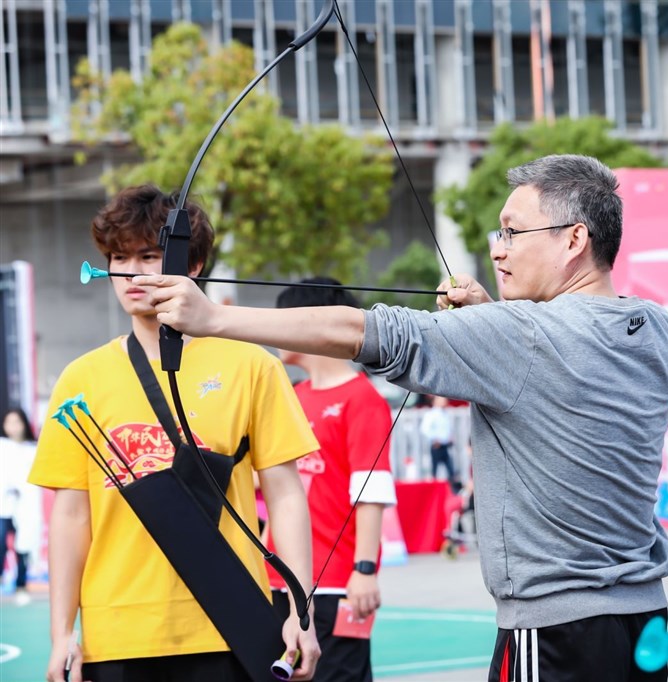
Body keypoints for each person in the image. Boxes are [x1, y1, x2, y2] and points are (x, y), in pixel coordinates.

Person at [138, 153, 668, 682]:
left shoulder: (522, 337)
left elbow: (366, 332)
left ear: (574, 239)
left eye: (513, 232)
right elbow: (555, 362)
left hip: (558, 629)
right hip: (643, 619)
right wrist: (490, 318)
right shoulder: (654, 329)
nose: (498, 250)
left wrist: (213, 318)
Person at [29, 185, 321, 682]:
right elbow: (72, 514)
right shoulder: (81, 378)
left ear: (193, 263)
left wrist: (301, 612)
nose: (129, 273)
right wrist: (61, 634)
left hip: (227, 621)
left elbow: (287, 494)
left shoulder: (252, 364)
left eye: (148, 256)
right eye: (117, 257)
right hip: (115, 633)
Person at [269, 278, 396, 682]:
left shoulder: (362, 399)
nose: (271, 330)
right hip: (279, 583)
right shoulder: (289, 397)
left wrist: (364, 569)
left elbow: (370, 490)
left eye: (282, 320)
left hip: (334, 584)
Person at [0, 408, 39, 605]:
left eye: (17, 422)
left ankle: (21, 584)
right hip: (3, 506)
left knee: (22, 545)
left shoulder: (33, 449)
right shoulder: (2, 447)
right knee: (0, 542)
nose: (13, 427)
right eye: (9, 422)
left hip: (25, 506)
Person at [419, 395, 458, 491]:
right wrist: (434, 438)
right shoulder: (431, 414)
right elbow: (424, 429)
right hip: (436, 445)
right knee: (434, 471)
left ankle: (452, 491)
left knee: (450, 470)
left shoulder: (445, 414)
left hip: (445, 445)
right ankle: (433, 492)